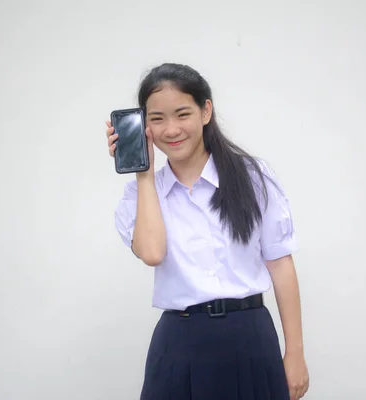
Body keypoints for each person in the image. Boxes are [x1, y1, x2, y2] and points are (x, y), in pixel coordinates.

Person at [105, 63, 310, 400]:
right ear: (144, 126)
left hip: (250, 340)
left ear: (205, 111)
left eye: (182, 113)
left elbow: (281, 264)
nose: (171, 129)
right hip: (179, 345)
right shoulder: (139, 196)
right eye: (156, 119)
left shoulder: (253, 177)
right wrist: (143, 171)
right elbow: (153, 252)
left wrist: (296, 354)